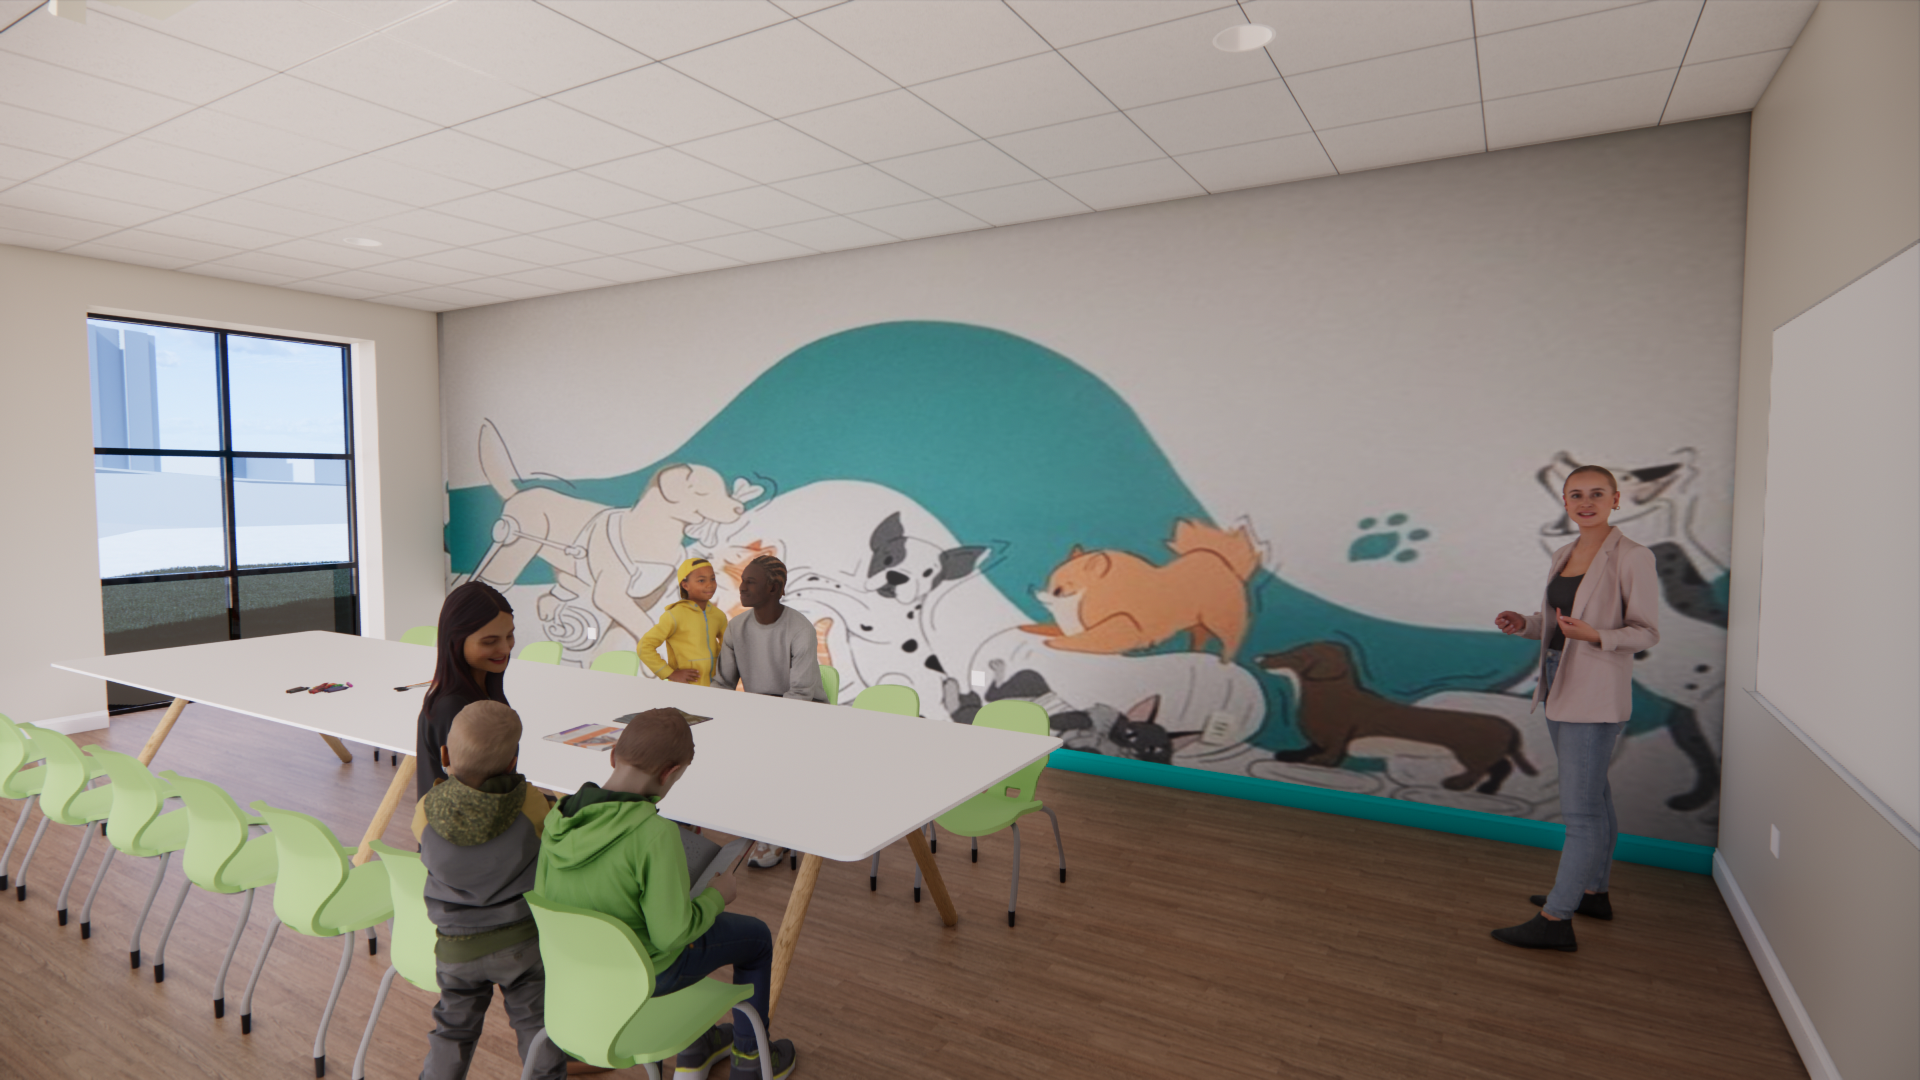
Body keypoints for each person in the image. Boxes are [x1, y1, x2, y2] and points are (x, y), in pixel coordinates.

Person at [536, 710, 798, 1080]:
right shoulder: (655, 833)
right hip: (648, 972)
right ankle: (751, 1058)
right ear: (670, 773)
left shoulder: (558, 819)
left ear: (613, 755)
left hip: (579, 968)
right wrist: (717, 896)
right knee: (755, 938)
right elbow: (672, 935)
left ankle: (698, 1046)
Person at [1491, 464, 1660, 951]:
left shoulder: (1634, 556)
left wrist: (1597, 635)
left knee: (1581, 812)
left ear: (1616, 499)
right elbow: (1555, 620)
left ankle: (1555, 918)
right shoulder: (1564, 553)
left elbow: (1646, 632)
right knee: (1596, 797)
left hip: (1595, 693)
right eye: (1576, 495)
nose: (1586, 503)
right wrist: (1523, 623)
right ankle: (1592, 893)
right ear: (1565, 502)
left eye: (1597, 494)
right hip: (1558, 683)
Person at [414, 701, 568, 1080]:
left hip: (456, 948)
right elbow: (557, 832)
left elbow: (424, 844)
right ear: (513, 761)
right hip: (521, 943)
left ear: (445, 756)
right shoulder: (531, 803)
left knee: (452, 1030)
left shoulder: (426, 809)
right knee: (535, 1026)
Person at [714, 554, 823, 869]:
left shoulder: (800, 629)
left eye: (751, 582)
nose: (742, 588)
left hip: (804, 713)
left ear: (774, 589)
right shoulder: (736, 627)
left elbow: (800, 695)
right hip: (759, 710)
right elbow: (722, 683)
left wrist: (758, 722)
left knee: (771, 754)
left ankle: (775, 833)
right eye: (742, 581)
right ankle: (753, 819)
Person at [417, 582, 516, 799]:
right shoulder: (452, 709)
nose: (506, 648)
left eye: (509, 635)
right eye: (490, 641)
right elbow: (473, 798)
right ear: (456, 642)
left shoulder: (485, 690)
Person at [636, 558, 729, 686]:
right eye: (701, 580)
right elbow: (644, 647)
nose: (710, 585)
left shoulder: (718, 615)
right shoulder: (674, 615)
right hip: (688, 687)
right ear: (685, 585)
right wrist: (669, 673)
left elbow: (728, 647)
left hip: (717, 687)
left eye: (712, 579)